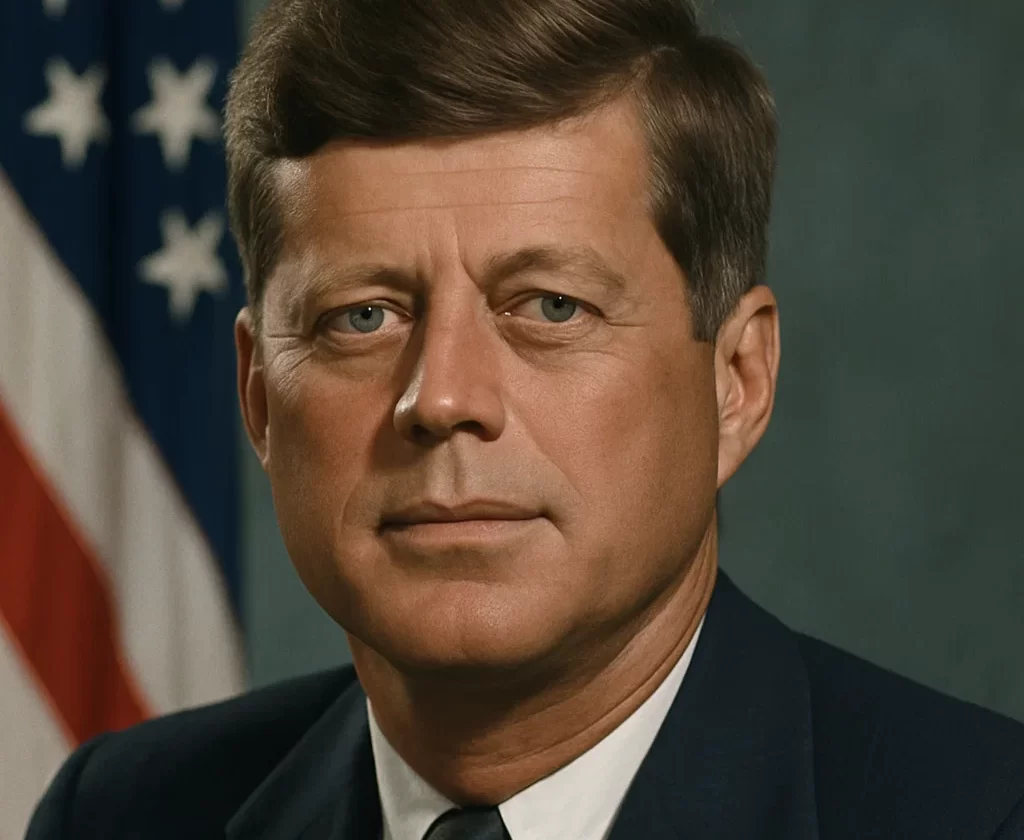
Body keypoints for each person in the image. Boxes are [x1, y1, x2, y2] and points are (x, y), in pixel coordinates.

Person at [27, 0, 1024, 837]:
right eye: (362, 317)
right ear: (258, 399)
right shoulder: (119, 817)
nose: (443, 399)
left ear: (736, 381)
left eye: (551, 306)